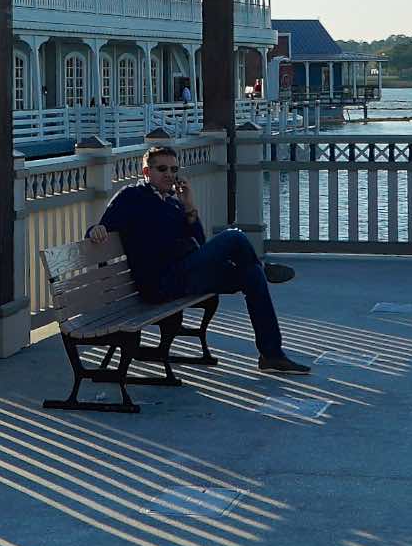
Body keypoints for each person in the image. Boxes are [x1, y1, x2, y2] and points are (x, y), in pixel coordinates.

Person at [91, 143, 308, 374]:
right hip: (159, 283)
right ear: (147, 172)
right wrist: (96, 230)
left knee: (251, 276)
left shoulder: (175, 203)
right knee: (234, 238)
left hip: (186, 275)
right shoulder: (131, 197)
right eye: (162, 169)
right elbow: (99, 227)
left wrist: (190, 207)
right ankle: (262, 267)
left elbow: (200, 243)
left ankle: (271, 354)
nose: (169, 175)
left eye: (174, 170)